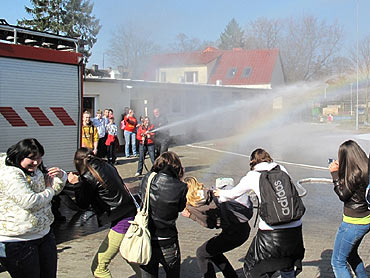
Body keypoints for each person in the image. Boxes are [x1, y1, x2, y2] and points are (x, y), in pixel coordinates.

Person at [214, 148, 305, 278]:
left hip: (271, 230)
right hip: (295, 227)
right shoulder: (281, 169)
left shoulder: (252, 176)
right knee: (287, 264)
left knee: (253, 266)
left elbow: (232, 194)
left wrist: (219, 194)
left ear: (252, 162)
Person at [67, 148, 141, 278]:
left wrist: (77, 184)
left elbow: (82, 204)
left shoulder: (88, 177)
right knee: (129, 254)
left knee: (98, 267)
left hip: (122, 220)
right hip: (129, 212)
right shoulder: (106, 165)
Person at [0, 138, 67, 278]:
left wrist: (61, 177)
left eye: (39, 158)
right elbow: (29, 201)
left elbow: (53, 190)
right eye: (31, 159)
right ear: (19, 156)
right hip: (18, 241)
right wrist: (48, 189)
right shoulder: (10, 174)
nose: (36, 162)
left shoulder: (36, 169)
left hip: (44, 235)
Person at [182, 177, 252, 278]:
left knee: (201, 253)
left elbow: (209, 224)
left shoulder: (195, 205)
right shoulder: (208, 193)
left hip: (234, 234)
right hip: (242, 228)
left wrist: (191, 216)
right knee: (213, 252)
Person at [139, 151, 188, 278]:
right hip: (168, 239)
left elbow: (141, 197)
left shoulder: (147, 178)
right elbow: (181, 208)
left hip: (147, 237)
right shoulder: (181, 187)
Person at [328, 140, 370, 278]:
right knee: (351, 255)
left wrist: (334, 173)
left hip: (353, 223)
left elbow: (343, 194)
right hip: (366, 219)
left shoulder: (354, 174)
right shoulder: (365, 168)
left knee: (338, 262)